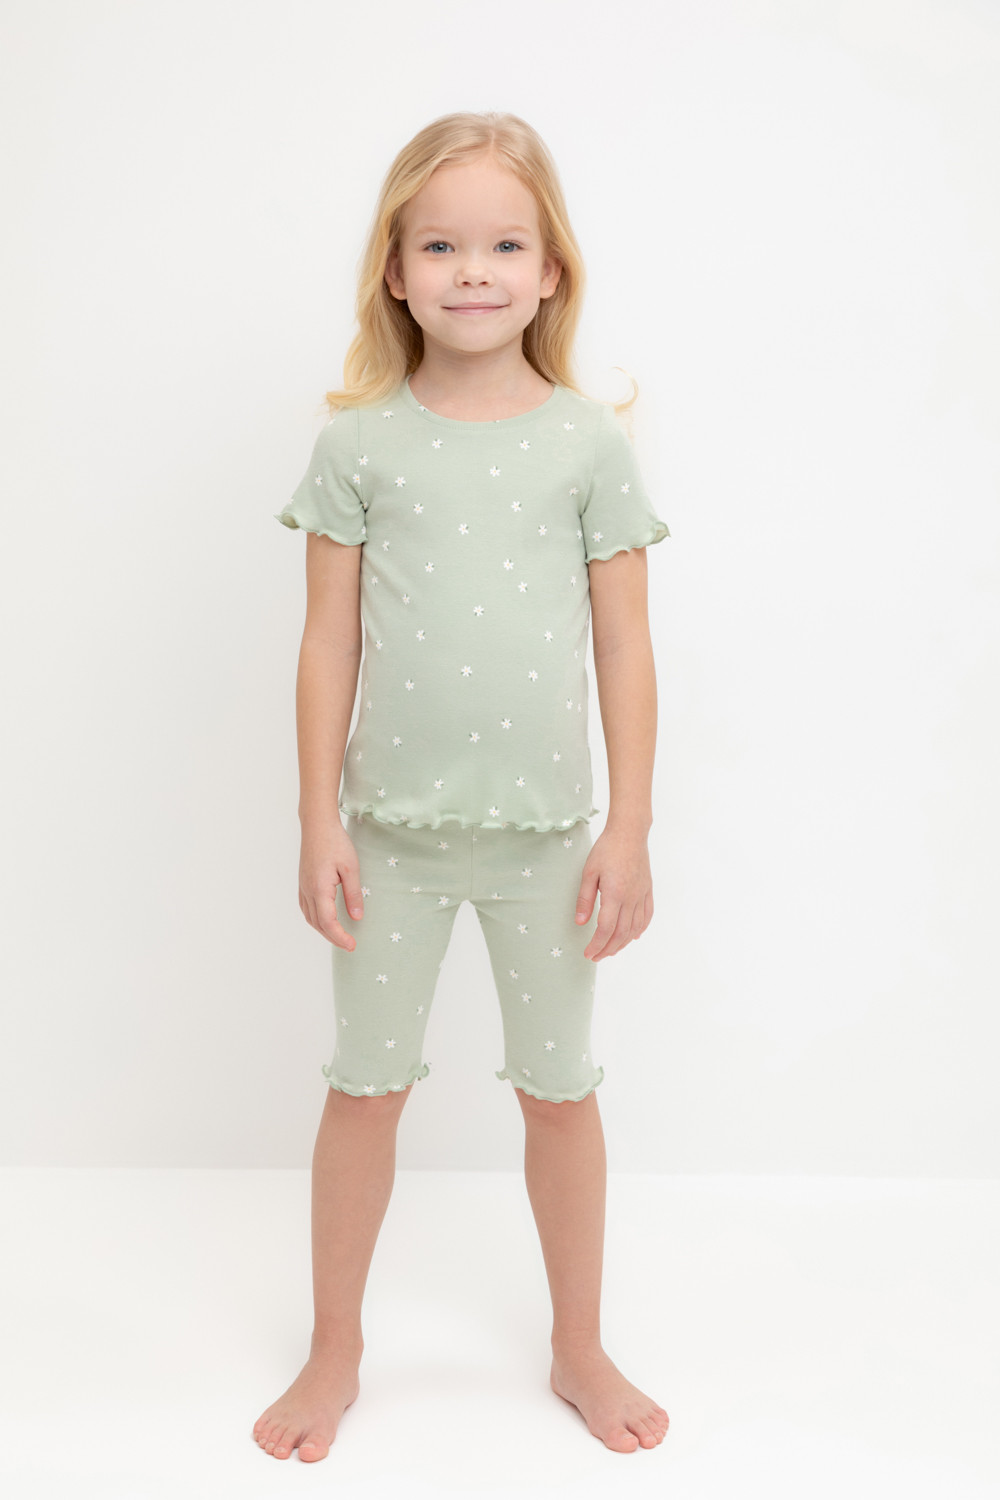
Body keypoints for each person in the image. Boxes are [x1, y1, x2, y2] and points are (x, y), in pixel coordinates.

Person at [254, 110, 671, 1464]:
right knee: (365, 1086)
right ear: (395, 269)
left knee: (560, 1090)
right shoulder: (359, 446)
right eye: (440, 245)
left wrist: (630, 826)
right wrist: (318, 817)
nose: (473, 271)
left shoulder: (588, 444)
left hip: (551, 843)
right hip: (389, 840)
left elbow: (625, 646)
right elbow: (327, 643)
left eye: (503, 245)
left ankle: (578, 1342)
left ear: (551, 273)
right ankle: (335, 1345)